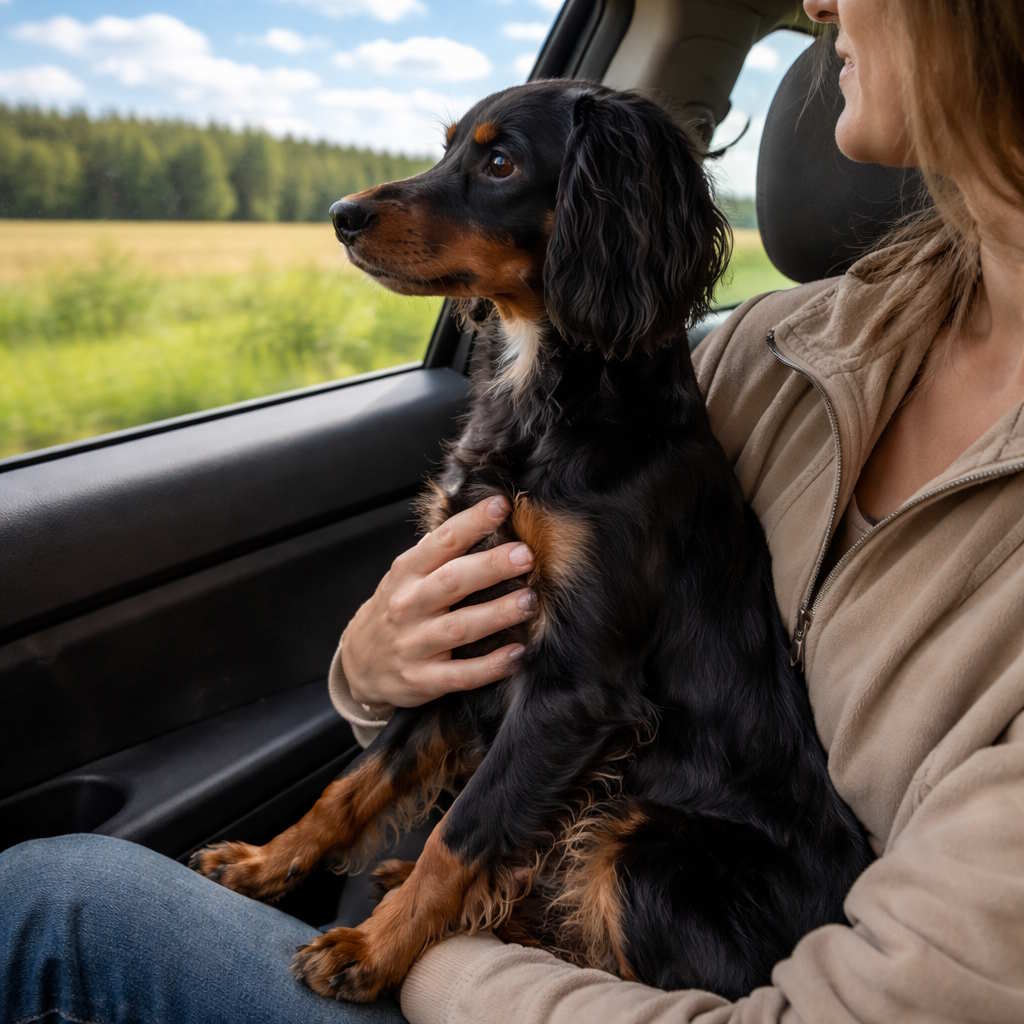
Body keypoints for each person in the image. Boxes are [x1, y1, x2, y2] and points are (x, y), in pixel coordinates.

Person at [3, 0, 1023, 1020]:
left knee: (49, 909)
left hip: (641, 952)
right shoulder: (769, 350)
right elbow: (559, 671)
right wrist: (373, 666)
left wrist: (432, 939)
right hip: (541, 907)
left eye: (490, 169)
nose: (817, 2)